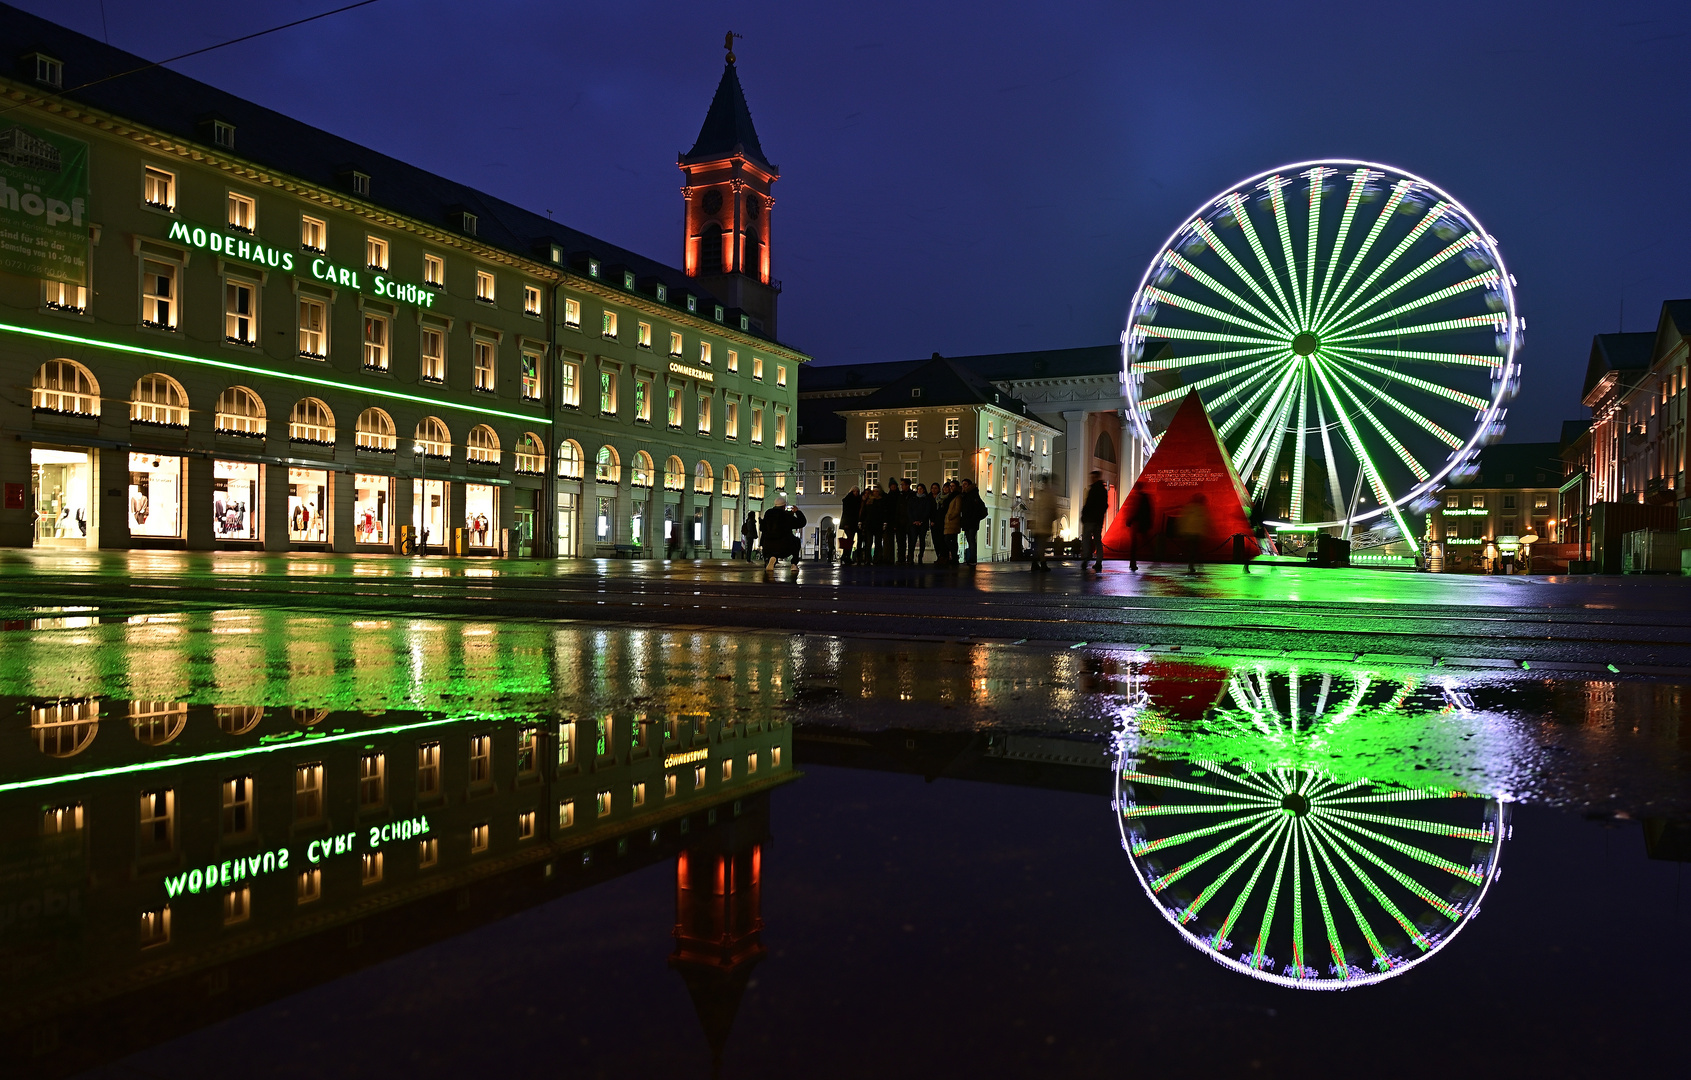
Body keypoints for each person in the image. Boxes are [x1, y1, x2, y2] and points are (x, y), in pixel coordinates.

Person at [1027, 474, 1060, 572]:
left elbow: (1035, 509)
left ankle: (1036, 563)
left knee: (1039, 545)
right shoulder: (1049, 494)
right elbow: (1053, 508)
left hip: (1039, 524)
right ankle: (1041, 563)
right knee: (1041, 545)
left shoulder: (1039, 494)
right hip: (1045, 524)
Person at [1080, 470, 1109, 572]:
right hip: (1098, 520)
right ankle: (1098, 561)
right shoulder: (1103, 490)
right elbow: (1105, 506)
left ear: (1096, 477)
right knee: (1097, 540)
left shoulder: (1093, 490)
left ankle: (1086, 558)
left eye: (1092, 477)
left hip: (1090, 519)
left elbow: (1088, 505)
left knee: (1087, 539)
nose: (1091, 479)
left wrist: (1084, 515)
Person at [1177, 492, 1210, 574]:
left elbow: (1183, 520)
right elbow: (1203, 521)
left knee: (1193, 550)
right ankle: (1194, 564)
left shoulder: (1190, 507)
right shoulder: (1199, 508)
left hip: (1191, 532)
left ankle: (1192, 564)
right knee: (1195, 550)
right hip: (1194, 533)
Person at [761, 496, 796, 571]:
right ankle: (794, 564)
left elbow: (762, 528)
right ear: (784, 506)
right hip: (783, 546)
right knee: (796, 541)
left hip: (767, 545)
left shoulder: (768, 513)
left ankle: (771, 558)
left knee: (772, 552)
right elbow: (801, 523)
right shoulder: (785, 515)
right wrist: (796, 512)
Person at [958, 478, 988, 564]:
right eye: (962, 484)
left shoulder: (973, 495)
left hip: (972, 522)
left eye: (965, 484)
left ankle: (973, 559)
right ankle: (971, 558)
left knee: (971, 540)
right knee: (969, 540)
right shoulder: (965, 495)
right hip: (967, 522)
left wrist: (974, 518)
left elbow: (977, 509)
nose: (963, 486)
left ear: (969, 485)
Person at [1126, 487, 1154, 572]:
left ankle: (1133, 563)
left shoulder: (1139, 498)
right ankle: (1154, 558)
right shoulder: (1145, 497)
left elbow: (1136, 511)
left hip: (1137, 523)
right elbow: (1149, 511)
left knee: (1134, 544)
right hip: (1142, 523)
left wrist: (1130, 520)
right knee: (1145, 542)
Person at [908, 483, 935, 564]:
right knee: (913, 540)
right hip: (914, 523)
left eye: (921, 489)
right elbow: (909, 510)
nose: (919, 490)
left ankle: (920, 557)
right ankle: (910, 557)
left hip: (923, 523)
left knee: (922, 540)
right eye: (918, 489)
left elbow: (927, 511)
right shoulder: (913, 499)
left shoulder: (926, 500)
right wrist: (914, 520)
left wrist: (921, 521)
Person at [859, 484, 883, 564]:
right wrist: (861, 521)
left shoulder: (880, 501)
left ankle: (877, 559)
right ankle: (868, 559)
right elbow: (864, 512)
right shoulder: (869, 501)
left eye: (877, 492)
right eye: (874, 492)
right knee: (869, 543)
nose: (875, 493)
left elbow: (884, 512)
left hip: (878, 524)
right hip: (870, 524)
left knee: (878, 543)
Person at [931, 481, 953, 564]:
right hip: (937, 522)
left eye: (947, 487)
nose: (945, 489)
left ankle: (945, 557)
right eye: (944, 487)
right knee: (937, 541)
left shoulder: (949, 498)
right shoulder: (939, 498)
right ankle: (940, 557)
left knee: (944, 541)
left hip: (945, 522)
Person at [840, 486, 861, 564]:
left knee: (849, 540)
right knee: (849, 541)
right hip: (849, 523)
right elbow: (846, 513)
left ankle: (845, 556)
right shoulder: (849, 500)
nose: (856, 493)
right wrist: (846, 523)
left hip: (852, 523)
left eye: (857, 492)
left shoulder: (851, 500)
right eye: (854, 491)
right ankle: (846, 556)